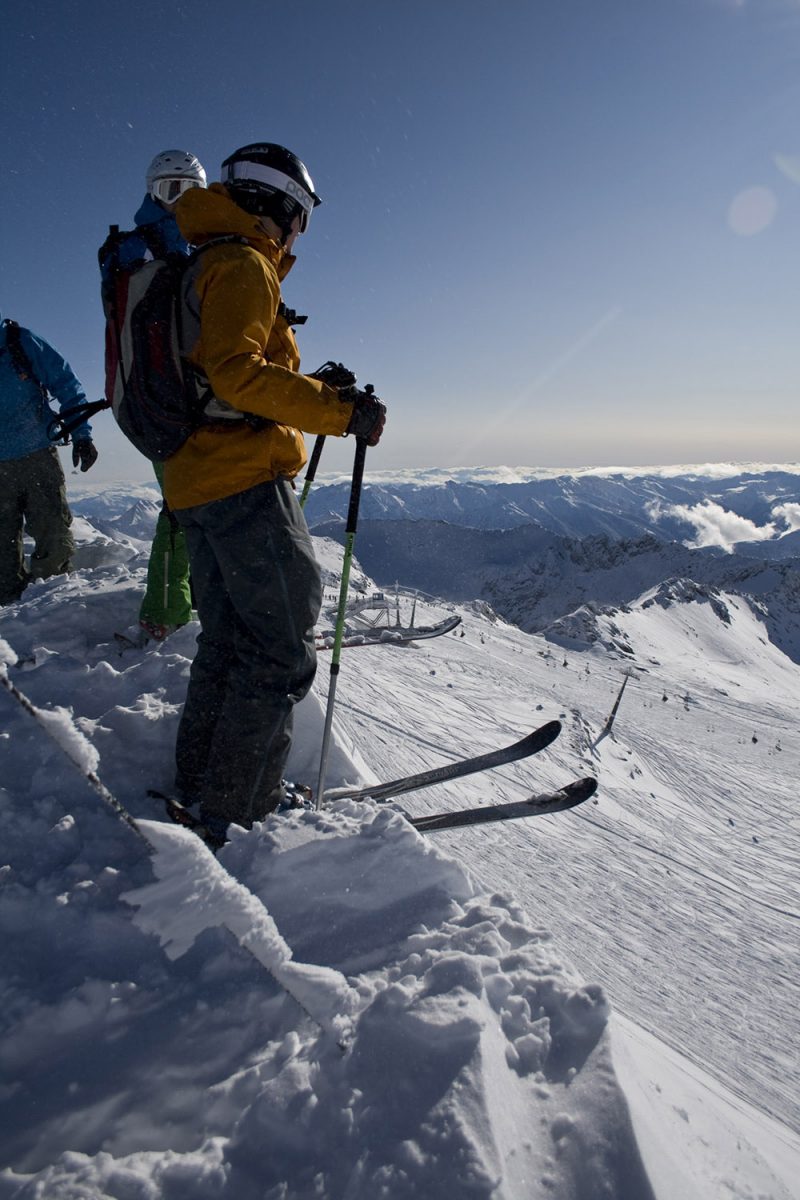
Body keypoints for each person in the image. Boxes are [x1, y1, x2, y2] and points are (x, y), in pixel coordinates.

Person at [163, 142, 386, 848]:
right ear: (280, 207)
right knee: (281, 649)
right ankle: (241, 812)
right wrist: (343, 414)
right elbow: (235, 375)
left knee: (229, 642)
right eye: (302, 219)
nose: (300, 236)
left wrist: (315, 386)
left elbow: (225, 370)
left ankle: (201, 786)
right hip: (245, 484)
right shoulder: (242, 263)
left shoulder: (203, 259)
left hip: (196, 483)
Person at [100, 149, 207, 641]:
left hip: (175, 400)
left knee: (194, 502)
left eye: (192, 192)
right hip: (164, 403)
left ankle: (183, 599)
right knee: (181, 507)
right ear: (152, 192)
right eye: (171, 191)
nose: (181, 203)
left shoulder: (184, 253)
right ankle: (164, 612)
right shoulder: (141, 251)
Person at [0, 313, 97, 605]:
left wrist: (82, 434)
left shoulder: (19, 342)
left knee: (52, 534)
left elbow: (66, 383)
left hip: (37, 456)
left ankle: (51, 610)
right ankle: (9, 623)